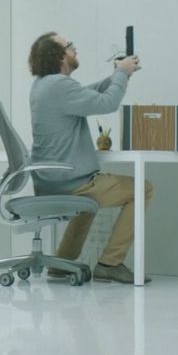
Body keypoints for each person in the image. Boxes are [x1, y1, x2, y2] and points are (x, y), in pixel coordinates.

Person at [27, 31, 153, 284]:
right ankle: (110, 263)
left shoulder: (44, 85)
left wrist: (117, 75)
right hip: (73, 182)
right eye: (70, 46)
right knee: (143, 189)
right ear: (59, 56)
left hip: (52, 181)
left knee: (88, 204)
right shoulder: (59, 86)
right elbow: (107, 104)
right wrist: (121, 74)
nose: (75, 49)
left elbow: (88, 95)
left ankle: (62, 263)